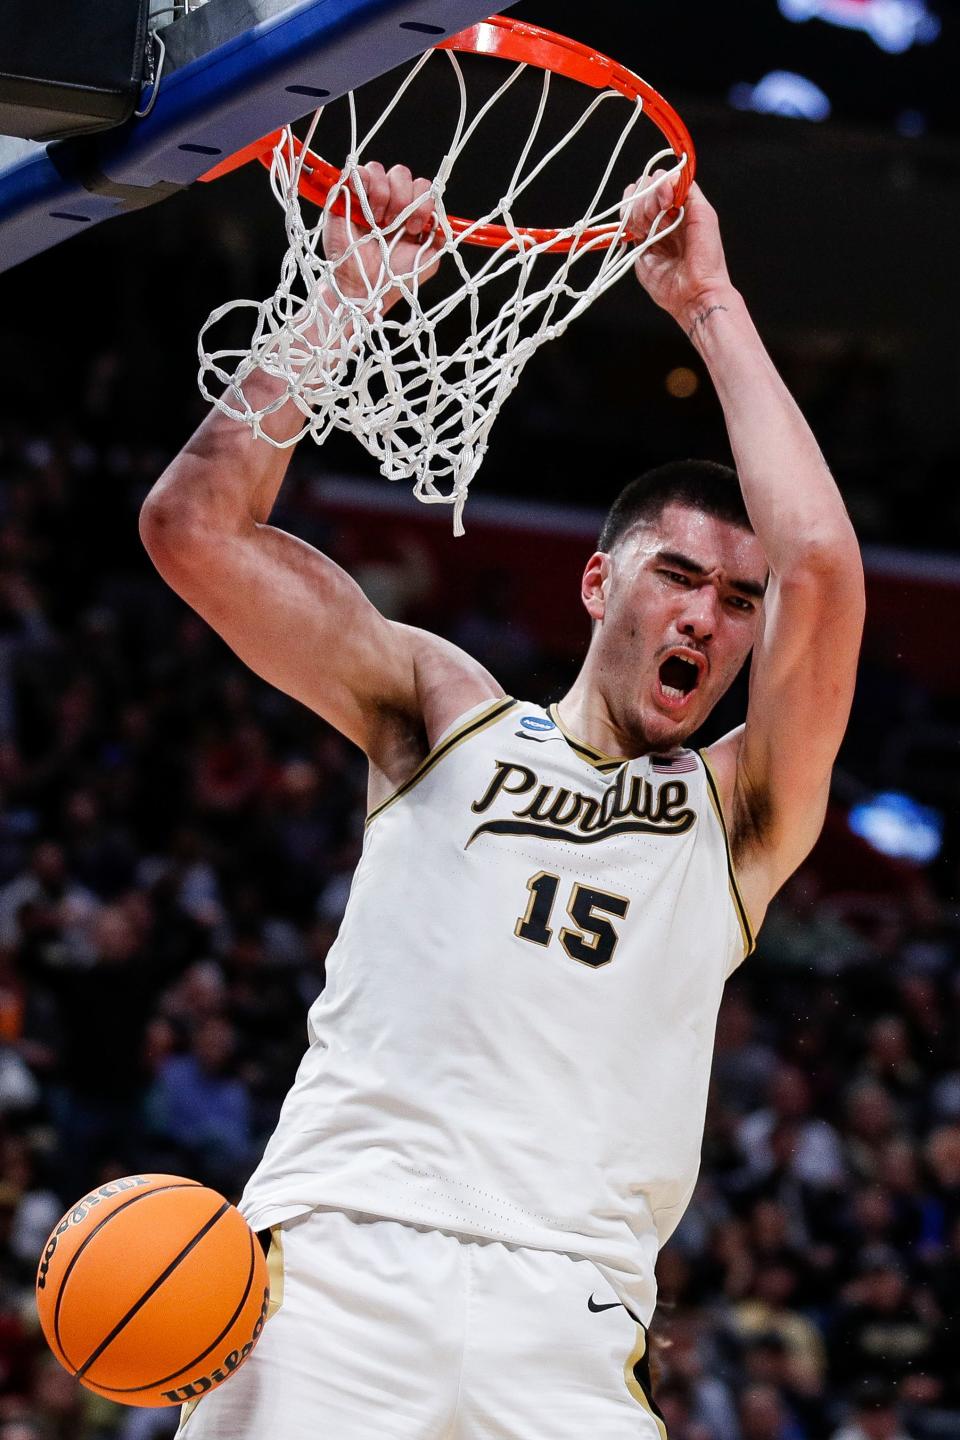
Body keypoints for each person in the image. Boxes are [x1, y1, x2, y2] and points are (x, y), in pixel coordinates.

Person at [139, 162, 864, 1439]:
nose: (707, 614)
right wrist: (345, 295)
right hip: (337, 1268)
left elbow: (820, 562)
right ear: (597, 585)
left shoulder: (742, 816)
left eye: (736, 604)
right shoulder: (444, 708)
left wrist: (712, 307)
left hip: (569, 1318)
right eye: (678, 577)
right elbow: (195, 531)